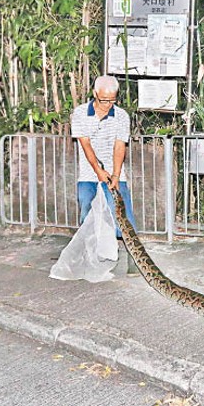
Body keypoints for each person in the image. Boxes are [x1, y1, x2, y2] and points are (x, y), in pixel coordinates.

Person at [71, 75, 138, 275]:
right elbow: (85, 145)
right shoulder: (81, 113)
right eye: (104, 100)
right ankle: (92, 255)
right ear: (94, 94)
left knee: (121, 213)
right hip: (88, 173)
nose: (108, 104)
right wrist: (98, 171)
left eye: (112, 100)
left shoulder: (121, 116)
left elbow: (120, 146)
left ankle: (134, 256)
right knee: (87, 212)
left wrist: (115, 175)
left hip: (115, 172)